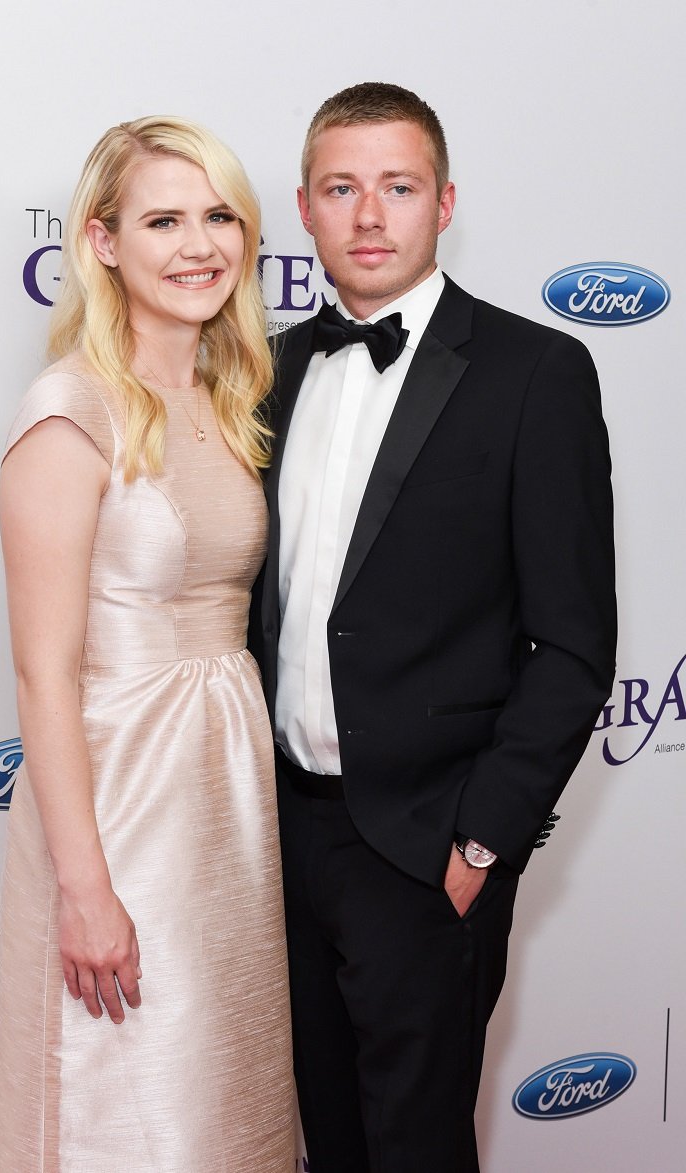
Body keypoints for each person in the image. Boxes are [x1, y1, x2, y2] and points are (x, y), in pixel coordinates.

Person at [252, 82, 617, 1172]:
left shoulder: (533, 372)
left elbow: (573, 645)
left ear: (443, 201)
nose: (369, 214)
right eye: (341, 188)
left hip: (420, 847)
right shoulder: (265, 368)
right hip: (279, 833)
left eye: (397, 187)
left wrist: (476, 842)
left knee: (413, 1149)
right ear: (306, 209)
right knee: (321, 1137)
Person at [0, 116, 294, 1171]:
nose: (198, 244)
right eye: (162, 219)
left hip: (223, 807)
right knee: (136, 1104)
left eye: (218, 216)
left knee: (226, 1103)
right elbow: (43, 672)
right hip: (121, 809)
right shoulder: (69, 414)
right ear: (102, 241)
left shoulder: (231, 401)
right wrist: (84, 887)